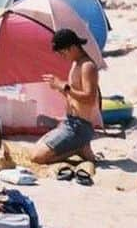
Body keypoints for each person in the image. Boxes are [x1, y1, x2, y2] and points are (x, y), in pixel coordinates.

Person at [29, 28, 102, 180]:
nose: (63, 57)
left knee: (37, 157)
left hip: (79, 126)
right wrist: (59, 87)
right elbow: (73, 95)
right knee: (35, 148)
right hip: (70, 122)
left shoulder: (87, 66)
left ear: (72, 47)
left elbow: (89, 98)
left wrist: (64, 86)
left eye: (63, 53)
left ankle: (78, 147)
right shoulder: (76, 64)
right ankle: (79, 147)